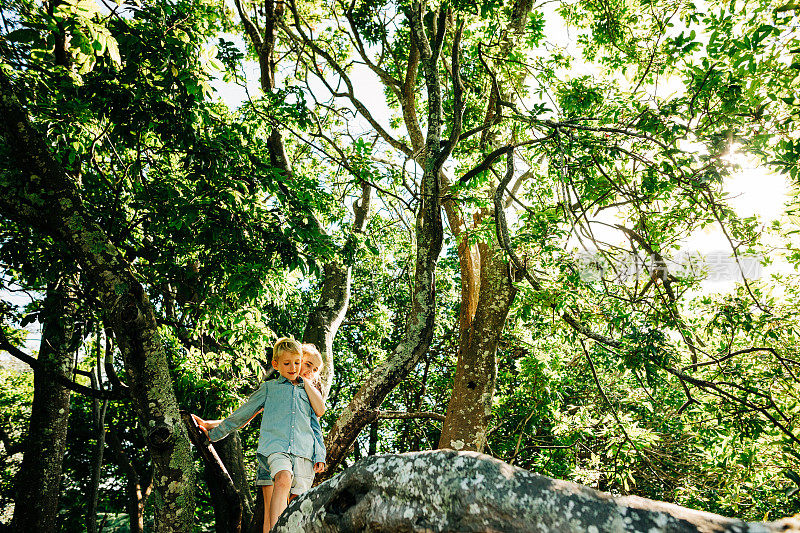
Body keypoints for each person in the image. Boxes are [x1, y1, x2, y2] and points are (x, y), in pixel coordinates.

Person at [192, 337, 326, 532]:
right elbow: (242, 416)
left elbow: (317, 425)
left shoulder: (309, 395)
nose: (302, 369)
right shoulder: (271, 388)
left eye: (312, 369)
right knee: (282, 482)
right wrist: (212, 432)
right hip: (275, 451)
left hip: (303, 454)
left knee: (296, 504)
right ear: (278, 364)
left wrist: (320, 456)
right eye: (305, 364)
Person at [300, 343, 326, 417]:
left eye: (315, 370)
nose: (310, 371)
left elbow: (320, 411)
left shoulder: (312, 390)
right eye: (308, 365)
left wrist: (304, 381)